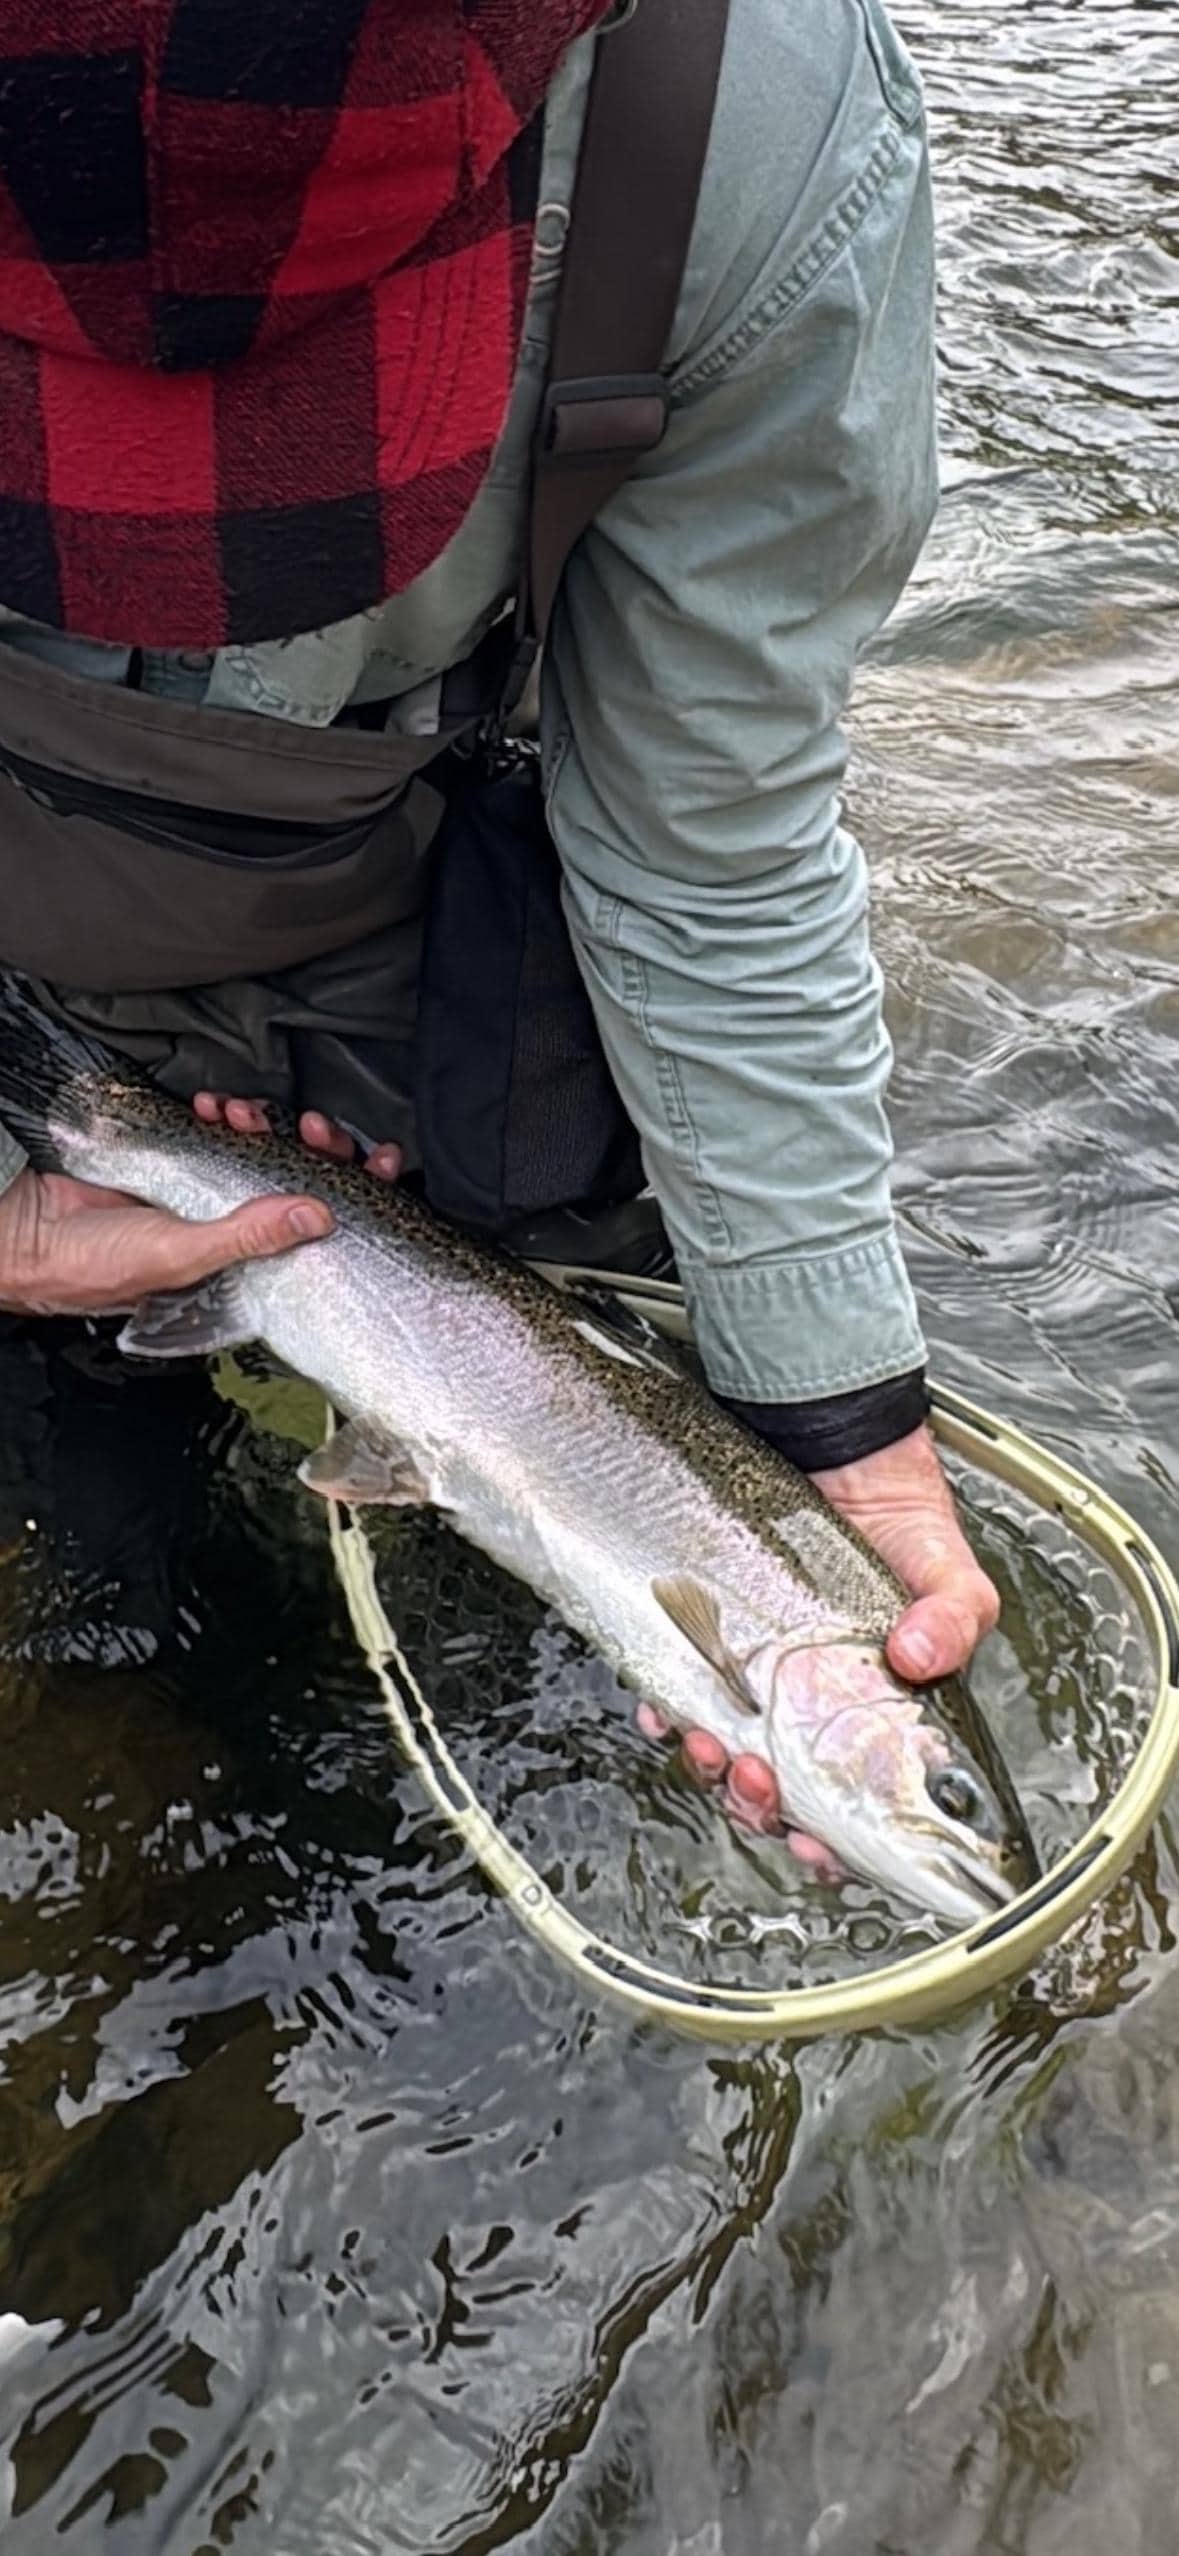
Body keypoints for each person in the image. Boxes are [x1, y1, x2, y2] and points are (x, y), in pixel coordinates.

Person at [0, 0, 997, 1852]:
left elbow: (710, 845)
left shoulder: (752, 136)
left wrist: (830, 1392)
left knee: (559, 1189)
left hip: (385, 856)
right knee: (96, 1583)